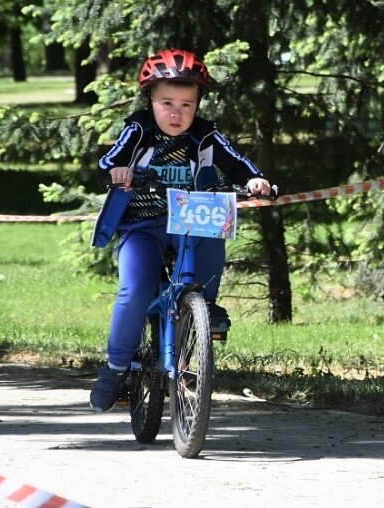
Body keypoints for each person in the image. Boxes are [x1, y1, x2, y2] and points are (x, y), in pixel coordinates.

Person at [89, 48, 271, 412]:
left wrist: (255, 180)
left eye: (187, 105)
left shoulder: (205, 135)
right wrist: (117, 172)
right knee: (135, 289)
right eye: (167, 102)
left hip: (192, 221)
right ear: (151, 101)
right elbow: (108, 161)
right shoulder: (138, 131)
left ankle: (203, 311)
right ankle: (116, 367)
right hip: (143, 225)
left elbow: (235, 162)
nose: (176, 113)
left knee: (213, 236)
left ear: (198, 105)